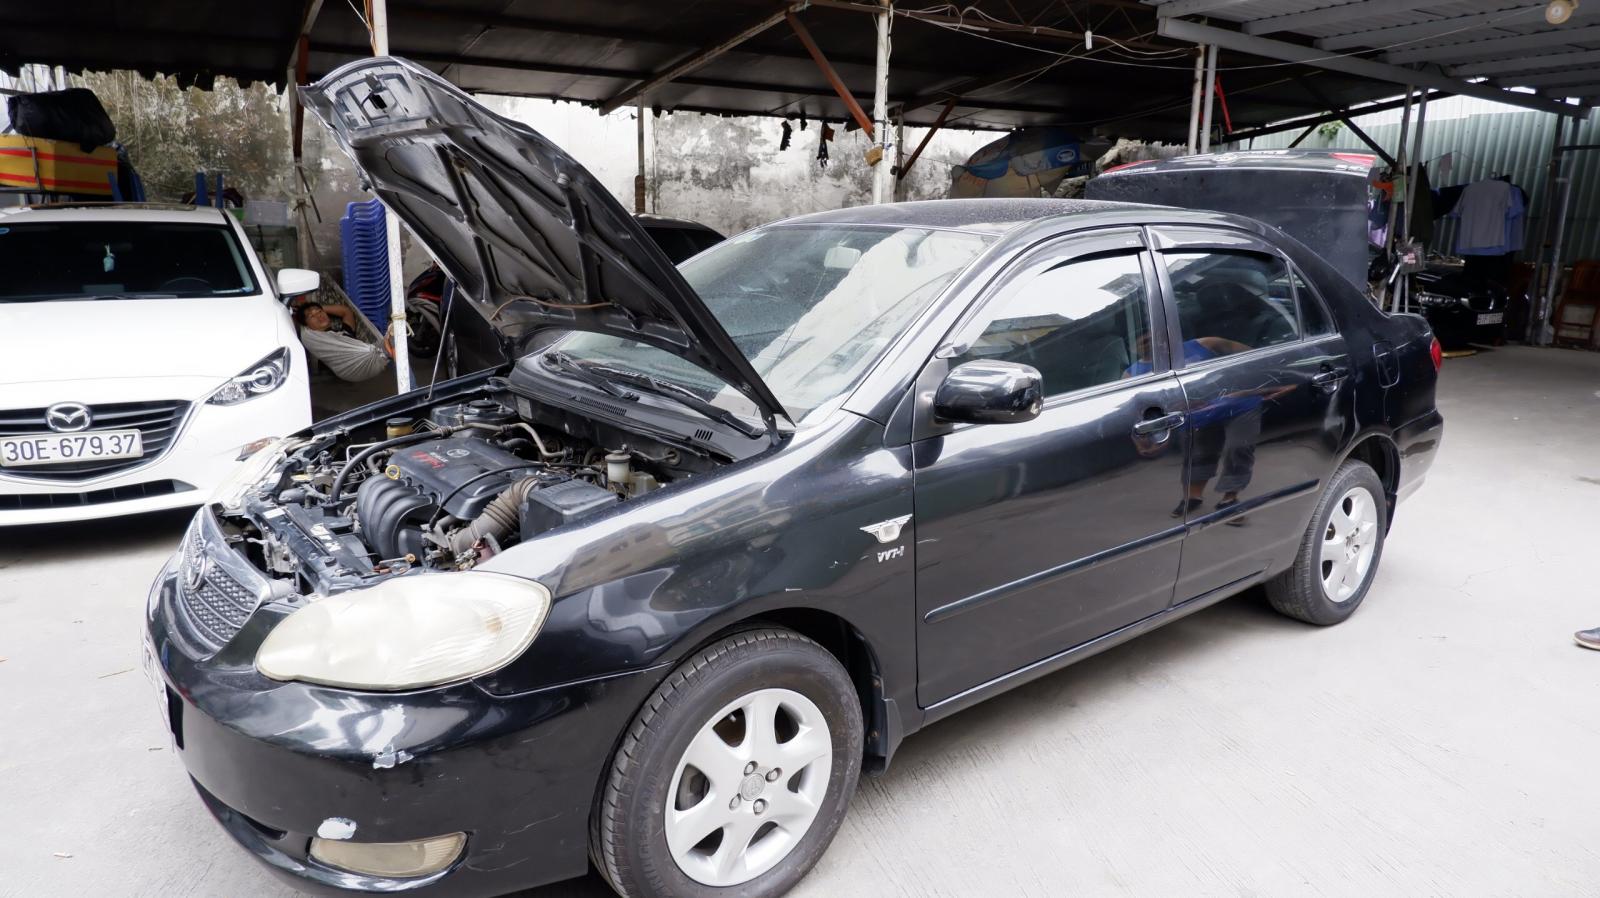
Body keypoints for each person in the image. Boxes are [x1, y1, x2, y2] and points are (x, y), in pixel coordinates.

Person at [293, 300, 392, 382]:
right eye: (312, 316)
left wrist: (319, 308)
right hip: (351, 369)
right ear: (306, 324)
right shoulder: (310, 337)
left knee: (393, 337)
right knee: (393, 340)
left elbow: (346, 311)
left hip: (367, 353)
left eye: (320, 312)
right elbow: (300, 323)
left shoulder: (345, 332)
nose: (319, 316)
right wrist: (309, 310)